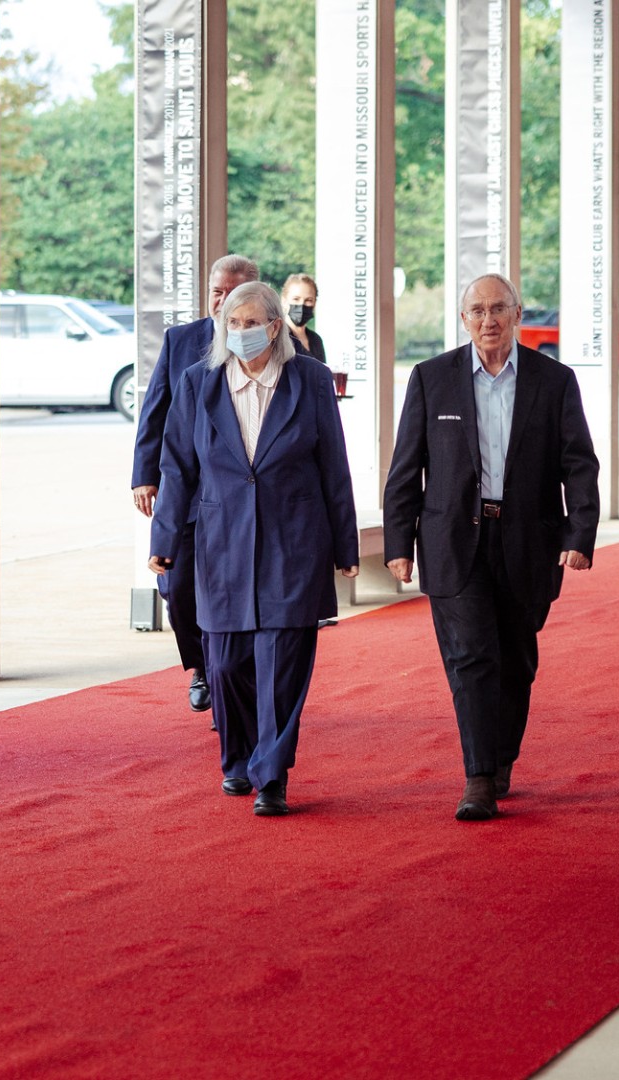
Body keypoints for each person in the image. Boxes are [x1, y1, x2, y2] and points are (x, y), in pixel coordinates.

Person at [382, 273, 600, 821]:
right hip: (454, 539)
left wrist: (579, 535)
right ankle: (477, 777)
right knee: (472, 656)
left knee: (516, 662)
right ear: (463, 319)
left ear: (517, 313)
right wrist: (397, 543)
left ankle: (501, 757)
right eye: (476, 310)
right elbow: (406, 468)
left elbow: (579, 464)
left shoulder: (554, 382)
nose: (488, 320)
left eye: (498, 308)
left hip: (529, 539)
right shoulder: (433, 379)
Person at [148, 282, 360, 816]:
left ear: (273, 326)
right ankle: (238, 759)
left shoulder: (309, 379)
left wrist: (345, 543)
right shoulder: (199, 383)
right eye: (231, 323)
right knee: (225, 665)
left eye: (250, 323)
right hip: (221, 542)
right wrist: (166, 539)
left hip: (295, 541)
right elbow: (177, 468)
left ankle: (271, 775)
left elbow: (334, 464)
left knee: (283, 662)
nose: (239, 332)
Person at [132, 254, 259, 722]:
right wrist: (145, 476)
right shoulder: (180, 341)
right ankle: (201, 666)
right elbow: (155, 410)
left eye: (234, 291)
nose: (223, 300)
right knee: (177, 586)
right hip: (186, 491)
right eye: (217, 291)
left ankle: (232, 678)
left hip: (241, 494)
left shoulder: (273, 343)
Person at [280, 273, 326, 364]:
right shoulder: (278, 338)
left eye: (308, 300)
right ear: (284, 301)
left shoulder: (316, 340)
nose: (301, 304)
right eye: (296, 299)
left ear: (315, 303)